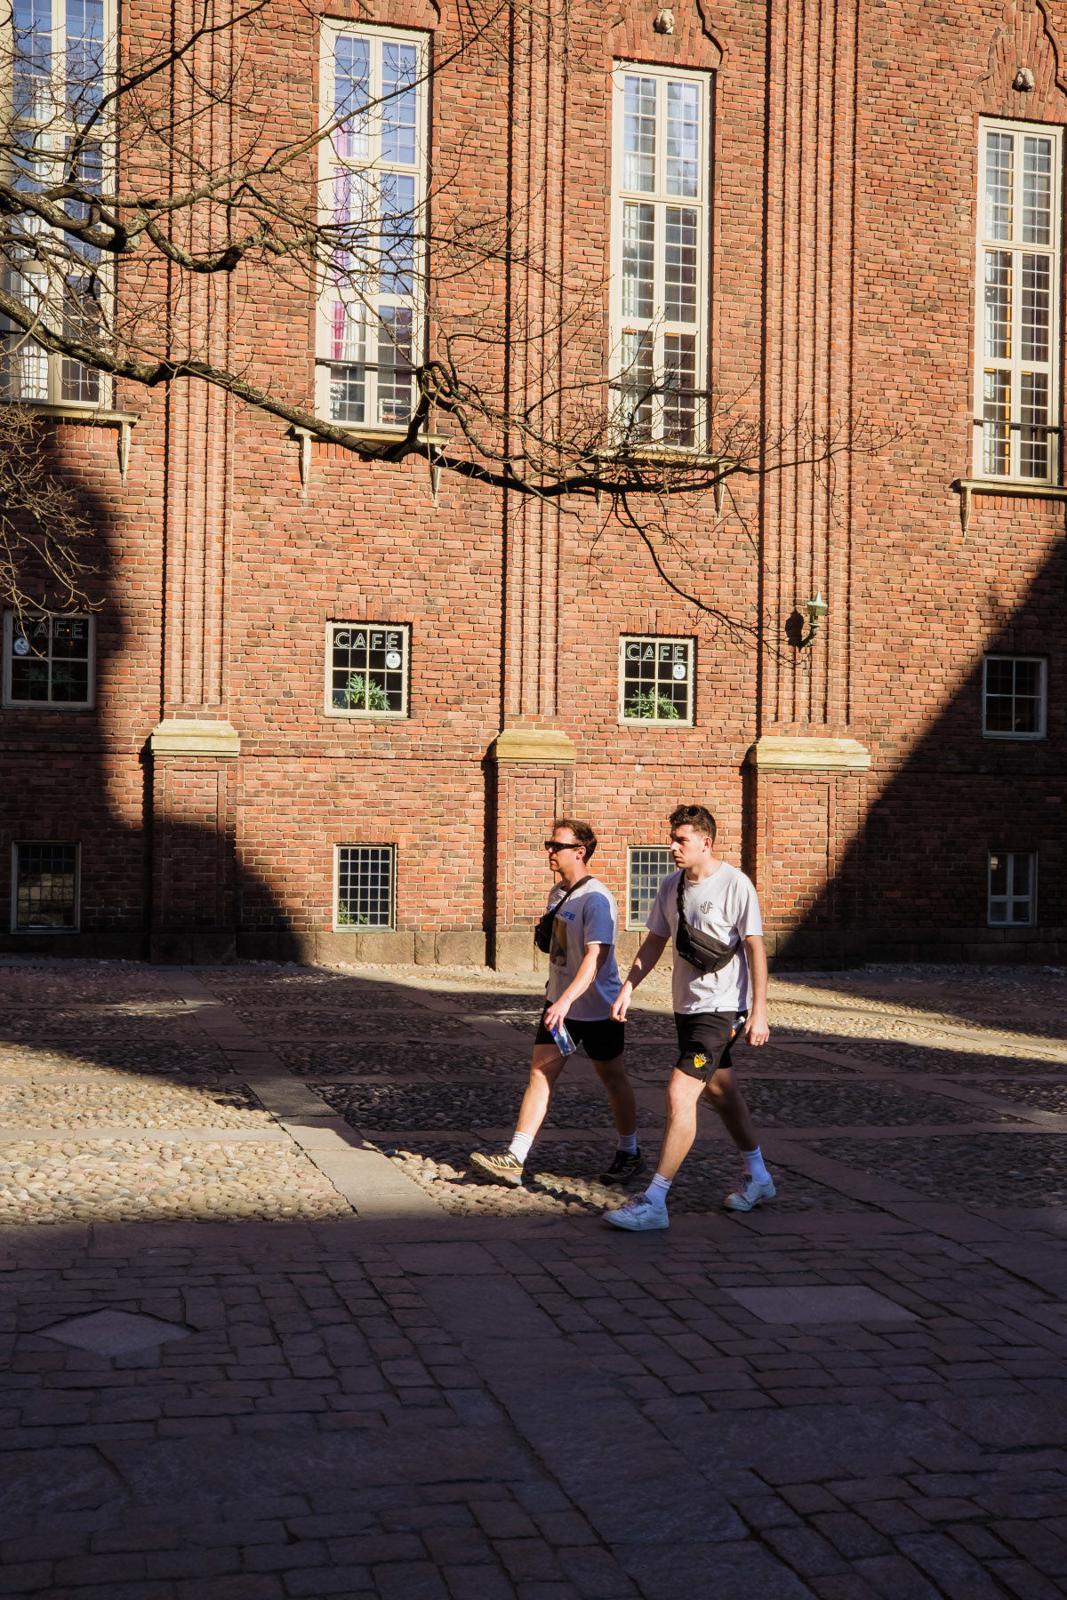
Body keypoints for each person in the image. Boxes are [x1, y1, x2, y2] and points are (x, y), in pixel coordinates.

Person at [603, 803, 773, 1231]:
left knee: (680, 1093)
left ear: (705, 842)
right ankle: (759, 1176)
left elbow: (755, 947)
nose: (673, 847)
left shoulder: (735, 884)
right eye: (672, 839)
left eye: (681, 840)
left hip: (722, 1009)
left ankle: (655, 1200)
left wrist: (759, 1012)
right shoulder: (670, 886)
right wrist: (628, 988)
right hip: (687, 1007)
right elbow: (654, 942)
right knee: (721, 1090)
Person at [470, 818, 643, 1188]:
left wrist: (565, 1000)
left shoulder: (597, 899)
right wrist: (557, 998)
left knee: (612, 1078)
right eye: (548, 844)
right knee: (540, 1073)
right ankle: (515, 1157)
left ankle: (630, 1151)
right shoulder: (557, 893)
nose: (549, 851)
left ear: (579, 852)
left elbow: (596, 958)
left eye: (557, 845)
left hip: (597, 1008)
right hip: (560, 1006)